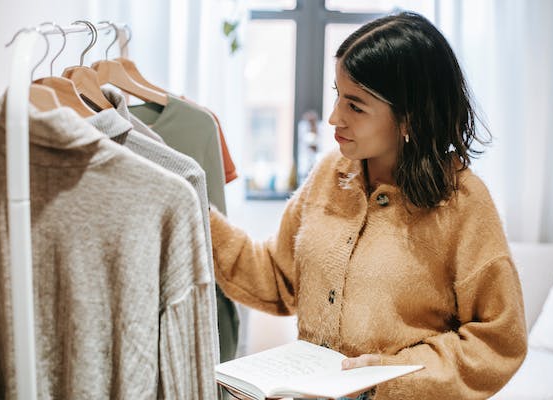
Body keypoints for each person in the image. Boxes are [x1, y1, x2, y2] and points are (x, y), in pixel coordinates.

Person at [210, 11, 527, 400]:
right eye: (337, 96)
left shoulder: (462, 203)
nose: (333, 118)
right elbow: (276, 278)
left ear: (410, 115)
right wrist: (194, 216)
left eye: (355, 106)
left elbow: (498, 341)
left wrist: (390, 378)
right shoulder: (329, 174)